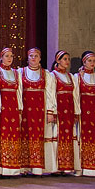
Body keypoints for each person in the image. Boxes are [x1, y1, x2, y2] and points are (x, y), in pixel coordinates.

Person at [20, 47, 56, 175]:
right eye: (31, 56)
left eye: (36, 56)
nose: (33, 58)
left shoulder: (46, 74)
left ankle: (38, 168)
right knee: (25, 135)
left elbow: (50, 93)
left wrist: (50, 111)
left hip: (40, 111)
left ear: (40, 58)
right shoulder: (21, 72)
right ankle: (24, 167)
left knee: (39, 136)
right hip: (26, 110)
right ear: (28, 58)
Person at [50, 50, 80, 175]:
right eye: (65, 59)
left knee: (69, 135)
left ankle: (67, 166)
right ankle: (57, 167)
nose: (67, 61)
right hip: (59, 109)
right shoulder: (53, 75)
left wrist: (76, 111)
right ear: (58, 60)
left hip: (69, 110)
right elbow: (51, 94)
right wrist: (52, 110)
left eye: (68, 59)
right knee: (57, 135)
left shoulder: (71, 77)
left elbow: (75, 95)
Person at [0, 48, 24, 176]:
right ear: (1, 57)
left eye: (11, 56)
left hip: (13, 108)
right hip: (3, 108)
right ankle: (2, 168)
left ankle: (13, 168)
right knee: (3, 134)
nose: (9, 58)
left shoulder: (16, 73)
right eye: (7, 56)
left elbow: (19, 92)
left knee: (14, 135)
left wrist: (20, 109)